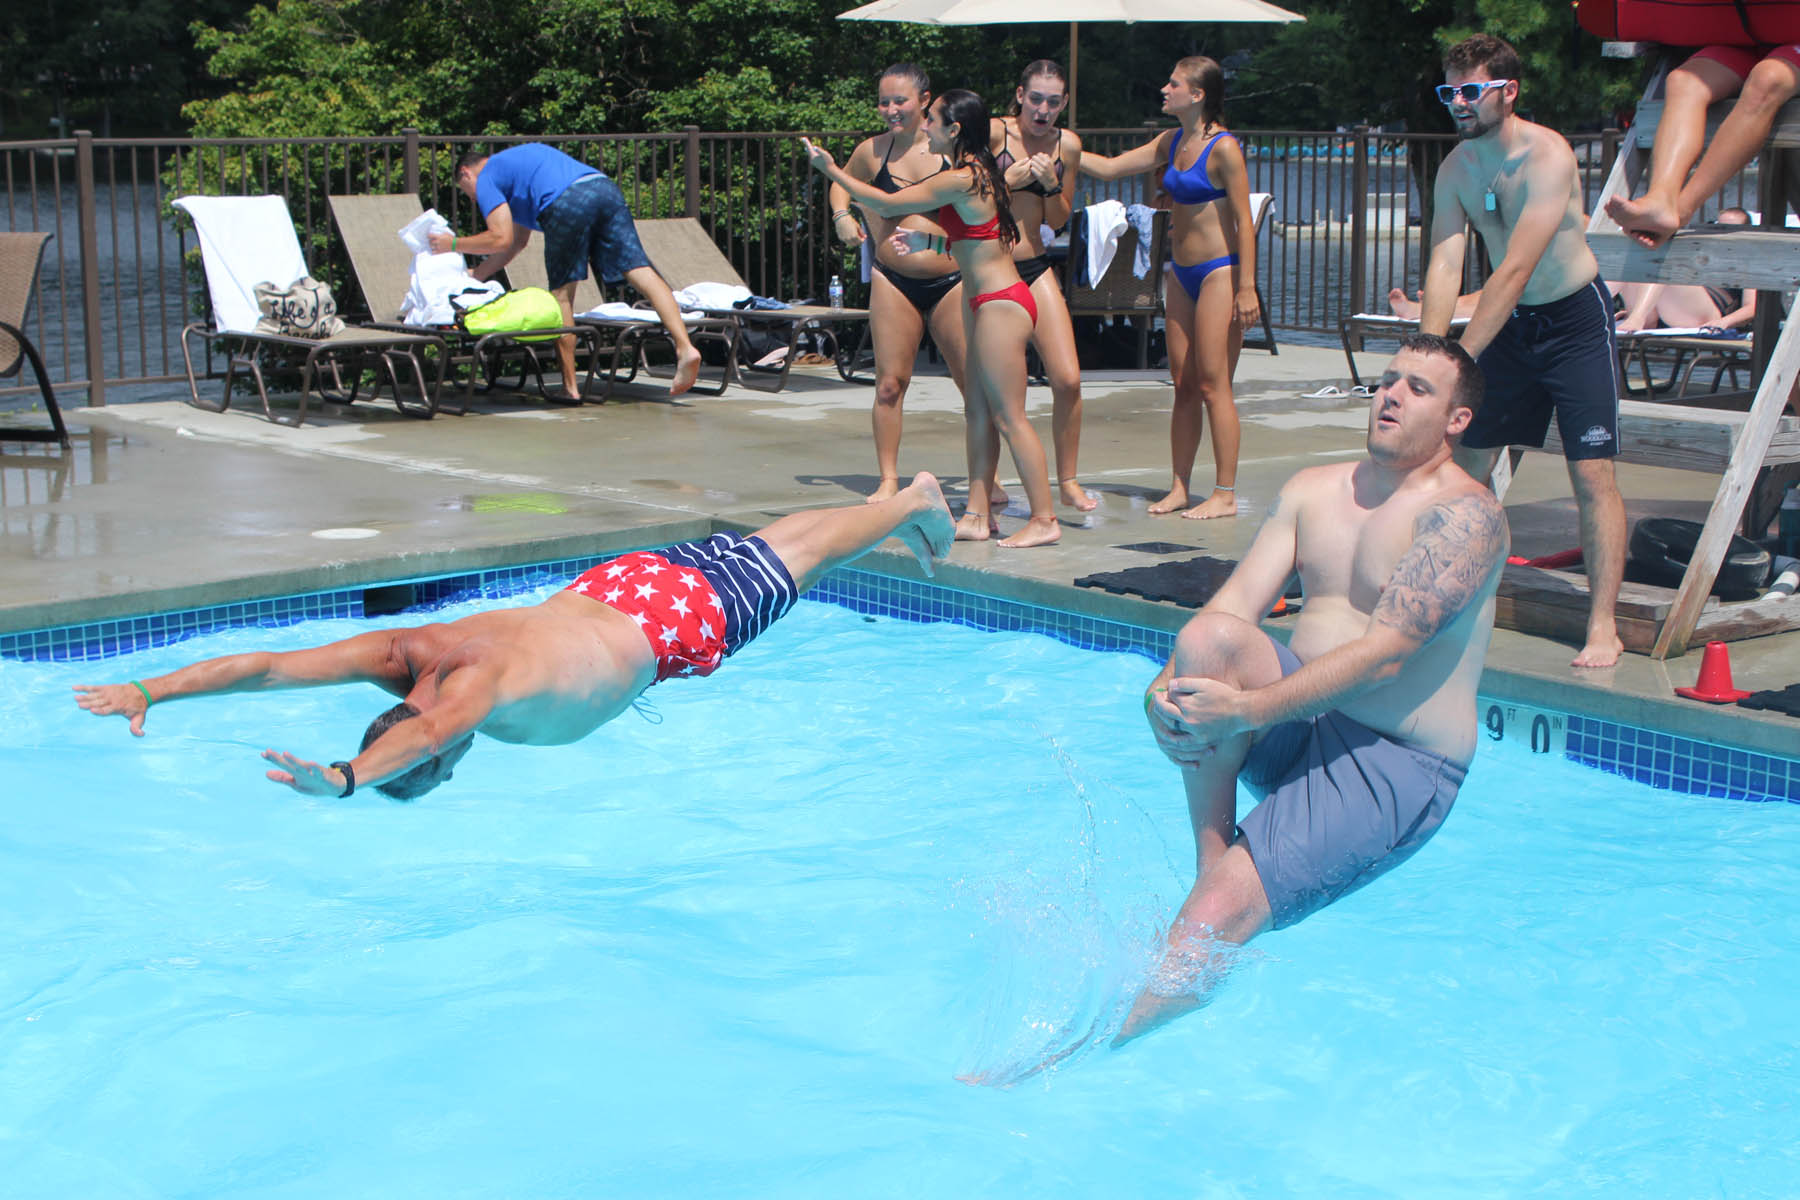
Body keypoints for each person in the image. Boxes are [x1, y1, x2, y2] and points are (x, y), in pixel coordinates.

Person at [74, 476, 956, 799]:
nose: (454, 762)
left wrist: (344, 780)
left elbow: (425, 733)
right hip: (611, 584)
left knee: (799, 563)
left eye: (441, 771)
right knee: (771, 544)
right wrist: (151, 690)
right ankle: (902, 506)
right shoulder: (407, 657)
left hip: (669, 625)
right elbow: (268, 667)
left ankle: (909, 507)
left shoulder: (462, 702)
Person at [1118, 333, 1507, 1044]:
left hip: (1394, 761)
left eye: (1418, 388)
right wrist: (1160, 695)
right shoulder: (1312, 491)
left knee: (1208, 923)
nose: (1391, 394)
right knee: (1206, 641)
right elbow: (1230, 613)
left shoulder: (1465, 519)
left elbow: (1387, 657)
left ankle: (1089, 1057)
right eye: (1388, 380)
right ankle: (1211, 865)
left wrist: (1244, 711)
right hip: (1299, 725)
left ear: (1458, 421)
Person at [1420, 34, 1627, 669]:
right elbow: (1445, 260)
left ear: (1508, 91)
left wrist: (1453, 365)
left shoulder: (1548, 154)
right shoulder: (1457, 167)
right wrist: (1428, 349)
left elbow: (1513, 270)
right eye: (1449, 91)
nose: (1458, 102)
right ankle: (1444, 598)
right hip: (1509, 329)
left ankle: (1603, 624)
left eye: (1471, 90)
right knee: (1463, 465)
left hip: (1572, 321)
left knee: (1592, 475)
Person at [805, 90, 1062, 549]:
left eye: (934, 122)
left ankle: (1044, 518)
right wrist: (934, 247)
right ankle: (977, 515)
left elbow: (887, 204)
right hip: (988, 299)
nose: (926, 128)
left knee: (1009, 417)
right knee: (980, 413)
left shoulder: (963, 177)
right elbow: (981, 242)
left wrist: (833, 173)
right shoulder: (978, 175)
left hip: (1002, 303)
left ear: (954, 130)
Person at [1078, 56, 1259, 520]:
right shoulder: (1171, 140)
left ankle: (1224, 492)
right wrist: (1059, 146)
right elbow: (1111, 168)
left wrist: (1247, 287)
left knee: (1214, 384)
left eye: (1173, 84)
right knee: (1182, 385)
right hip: (1180, 271)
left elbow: (1245, 222)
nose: (1164, 89)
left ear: (1197, 94)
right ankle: (1180, 486)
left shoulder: (1224, 148)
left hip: (1220, 270)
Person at [429, 145, 703, 400]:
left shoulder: (487, 175)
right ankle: (684, 347)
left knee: (561, 297)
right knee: (641, 271)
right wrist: (475, 275)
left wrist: (451, 244)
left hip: (566, 201)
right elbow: (515, 243)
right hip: (604, 188)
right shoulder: (516, 173)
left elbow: (498, 237)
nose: (474, 198)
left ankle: (570, 388)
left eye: (467, 191)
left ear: (466, 173)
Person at [828, 65, 974, 506]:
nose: (891, 110)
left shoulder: (951, 150)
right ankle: (889, 479)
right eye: (884, 102)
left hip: (951, 279)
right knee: (890, 384)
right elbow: (841, 185)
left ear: (925, 100)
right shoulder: (874, 151)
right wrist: (842, 217)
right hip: (893, 280)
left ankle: (986, 477)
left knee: (973, 384)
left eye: (900, 101)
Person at [989, 59, 1097, 512]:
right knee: (992, 389)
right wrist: (1006, 180)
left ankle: (1067, 480)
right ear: (1019, 95)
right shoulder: (995, 134)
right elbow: (962, 194)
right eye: (1035, 99)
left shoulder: (1066, 145)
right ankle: (988, 479)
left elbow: (1058, 219)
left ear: (1064, 104)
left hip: (1034, 266)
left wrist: (1053, 187)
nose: (1043, 110)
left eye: (1053, 102)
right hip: (989, 270)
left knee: (1068, 379)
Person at [1390, 207, 1758, 332]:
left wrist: (1721, 326)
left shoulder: (1750, 257)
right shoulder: (1705, 249)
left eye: (1728, 228)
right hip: (1660, 304)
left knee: (1651, 249)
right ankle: (1443, 306)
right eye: (1716, 225)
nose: (1719, 233)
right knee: (1605, 253)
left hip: (1705, 310)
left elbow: (1754, 309)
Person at [1604, 45, 1800, 247]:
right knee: (1683, 80)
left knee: (1767, 79)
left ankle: (1681, 210)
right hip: (1744, 40)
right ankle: (1659, 200)